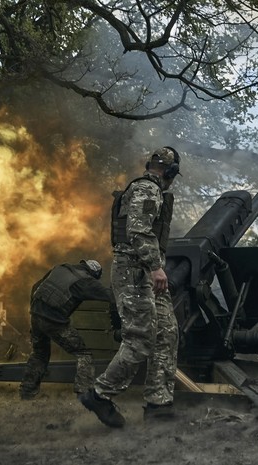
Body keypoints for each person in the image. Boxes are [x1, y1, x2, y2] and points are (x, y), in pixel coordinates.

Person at [79, 146, 181, 428]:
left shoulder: (150, 190)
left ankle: (159, 404)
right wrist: (155, 266)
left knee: (167, 332)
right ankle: (100, 394)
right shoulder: (147, 189)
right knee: (140, 338)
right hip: (136, 271)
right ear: (170, 172)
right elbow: (137, 231)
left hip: (145, 271)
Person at [20, 259, 115, 400]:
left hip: (35, 316)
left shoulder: (60, 268)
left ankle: (26, 393)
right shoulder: (86, 281)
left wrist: (34, 311)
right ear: (94, 274)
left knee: (39, 354)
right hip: (54, 321)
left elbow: (35, 287)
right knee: (83, 354)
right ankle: (84, 393)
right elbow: (111, 296)